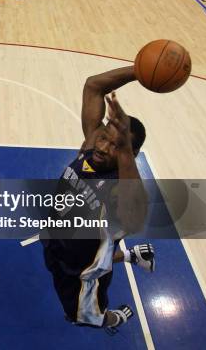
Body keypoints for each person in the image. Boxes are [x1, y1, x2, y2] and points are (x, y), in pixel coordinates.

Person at [40, 66, 155, 333]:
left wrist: (124, 148)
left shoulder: (122, 188)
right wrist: (140, 70)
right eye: (104, 137)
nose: (103, 147)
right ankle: (133, 255)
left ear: (130, 152)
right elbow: (93, 86)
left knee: (86, 317)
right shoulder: (91, 148)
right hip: (54, 239)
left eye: (117, 145)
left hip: (83, 273)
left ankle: (115, 318)